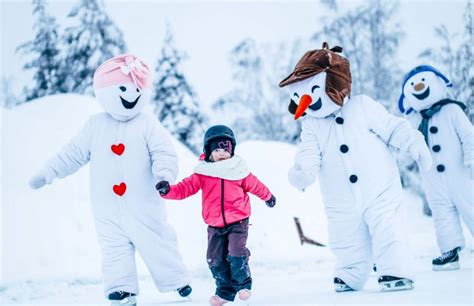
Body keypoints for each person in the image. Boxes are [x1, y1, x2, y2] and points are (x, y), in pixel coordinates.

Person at [29, 54, 192, 306]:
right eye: (123, 88)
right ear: (103, 91)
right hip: (107, 208)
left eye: (137, 88)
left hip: (144, 204)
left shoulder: (147, 123)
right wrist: (48, 172)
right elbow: (72, 154)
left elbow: (164, 151)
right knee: (114, 249)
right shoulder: (95, 125)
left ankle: (177, 280)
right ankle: (122, 289)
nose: (130, 94)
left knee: (157, 241)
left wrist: (164, 175)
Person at [279, 43, 433, 292]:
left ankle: (394, 269)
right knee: (345, 236)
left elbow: (393, 128)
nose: (304, 102)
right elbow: (308, 152)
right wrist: (302, 172)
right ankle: (351, 271)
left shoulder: (363, 106)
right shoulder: (312, 125)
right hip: (341, 199)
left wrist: (414, 143)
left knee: (387, 227)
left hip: (379, 190)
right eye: (297, 97)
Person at [156, 125, 276, 306]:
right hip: (214, 225)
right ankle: (224, 292)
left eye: (225, 149)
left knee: (235, 252)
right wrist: (167, 191)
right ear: (208, 151)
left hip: (238, 221)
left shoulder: (238, 170)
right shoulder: (203, 173)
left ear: (232, 150)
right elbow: (184, 188)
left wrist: (268, 197)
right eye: (217, 149)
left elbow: (256, 185)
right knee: (214, 259)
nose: (222, 153)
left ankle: (242, 284)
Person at [398, 65, 473, 271]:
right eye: (412, 85)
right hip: (432, 179)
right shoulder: (414, 120)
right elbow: (407, 145)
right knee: (442, 214)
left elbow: (469, 136)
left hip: (461, 174)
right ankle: (450, 251)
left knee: (471, 207)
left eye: (423, 81)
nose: (419, 86)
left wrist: (471, 160)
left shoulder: (452, 110)